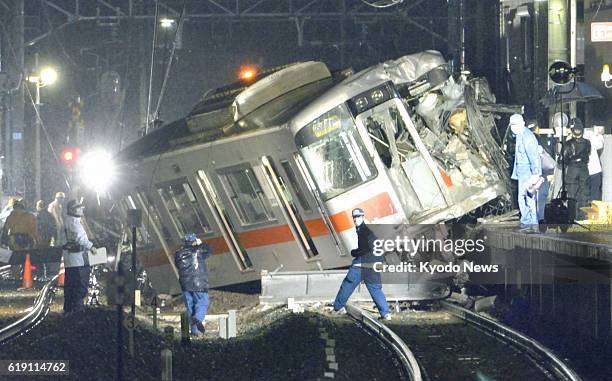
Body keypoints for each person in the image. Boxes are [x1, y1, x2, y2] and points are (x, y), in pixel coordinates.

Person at [333, 208, 391, 320]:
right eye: (354, 217)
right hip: (374, 263)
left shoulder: (364, 230)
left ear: (363, 217)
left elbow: (365, 248)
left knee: (348, 283)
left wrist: (355, 252)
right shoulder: (366, 229)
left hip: (363, 263)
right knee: (375, 288)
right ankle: (386, 313)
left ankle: (338, 307)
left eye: (358, 217)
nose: (356, 219)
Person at [174, 233, 213, 336]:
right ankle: (198, 319)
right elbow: (210, 250)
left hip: (185, 284)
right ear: (195, 241)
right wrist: (201, 244)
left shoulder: (178, 254)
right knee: (202, 302)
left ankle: (195, 331)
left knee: (190, 308)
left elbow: (177, 265)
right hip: (199, 283)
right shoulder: (199, 251)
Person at [509, 114, 542, 230]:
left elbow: (534, 157)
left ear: (522, 124)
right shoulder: (519, 135)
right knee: (523, 199)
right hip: (521, 173)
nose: (513, 128)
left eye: (515, 125)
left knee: (528, 198)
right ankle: (528, 223)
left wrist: (535, 174)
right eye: (512, 125)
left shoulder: (527, 137)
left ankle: (531, 223)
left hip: (528, 173)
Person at [63, 199, 94, 315]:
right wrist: (92, 247)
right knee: (79, 284)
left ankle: (69, 309)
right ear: (73, 210)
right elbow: (80, 239)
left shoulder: (71, 221)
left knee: (71, 285)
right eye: (79, 208)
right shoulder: (73, 223)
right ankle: (77, 309)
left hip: (73, 259)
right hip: (76, 260)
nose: (82, 209)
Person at [563, 118, 591, 220]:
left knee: (572, 194)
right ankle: (582, 216)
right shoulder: (587, 143)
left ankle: (572, 216)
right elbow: (588, 155)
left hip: (572, 169)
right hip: (584, 169)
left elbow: (562, 159)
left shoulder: (568, 144)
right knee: (583, 193)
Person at [584, 126, 605, 202]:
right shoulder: (593, 137)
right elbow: (600, 145)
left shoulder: (576, 138)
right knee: (595, 198)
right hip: (595, 171)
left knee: (583, 198)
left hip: (583, 172)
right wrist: (599, 135)